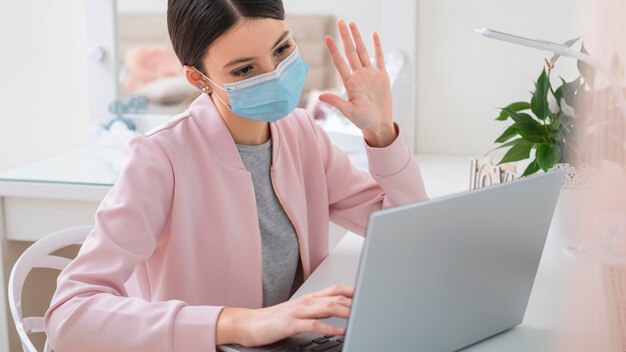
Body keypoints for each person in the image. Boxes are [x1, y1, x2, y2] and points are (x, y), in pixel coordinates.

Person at [43, 0, 428, 351]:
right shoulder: (159, 158)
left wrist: (381, 133)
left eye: (282, 49)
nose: (275, 75)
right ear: (198, 79)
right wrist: (237, 323)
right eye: (244, 69)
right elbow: (69, 315)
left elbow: (408, 231)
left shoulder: (302, 132)